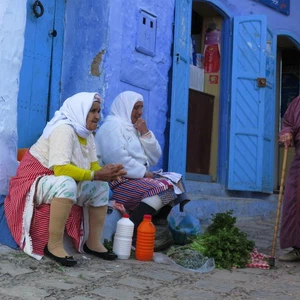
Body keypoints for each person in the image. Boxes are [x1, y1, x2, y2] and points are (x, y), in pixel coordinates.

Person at [4, 92, 126, 267]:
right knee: (67, 183)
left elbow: (93, 168)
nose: (97, 116)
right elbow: (60, 168)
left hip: (55, 181)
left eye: (98, 111)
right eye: (92, 111)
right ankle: (53, 245)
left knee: (101, 187)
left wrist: (109, 173)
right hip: (33, 181)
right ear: (80, 110)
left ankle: (93, 243)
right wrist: (96, 174)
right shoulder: (64, 129)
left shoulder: (87, 135)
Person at [95, 91, 189, 246]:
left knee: (177, 182)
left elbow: (154, 157)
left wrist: (145, 133)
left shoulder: (134, 128)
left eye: (141, 108)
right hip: (118, 180)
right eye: (135, 108)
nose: (139, 112)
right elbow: (118, 160)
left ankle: (157, 225)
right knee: (164, 189)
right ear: (125, 107)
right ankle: (130, 230)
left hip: (138, 177)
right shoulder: (111, 128)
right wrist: (144, 173)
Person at [278, 94, 300, 262]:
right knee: (294, 199)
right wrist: (286, 133)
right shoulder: (297, 102)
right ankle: (297, 247)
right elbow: (288, 123)